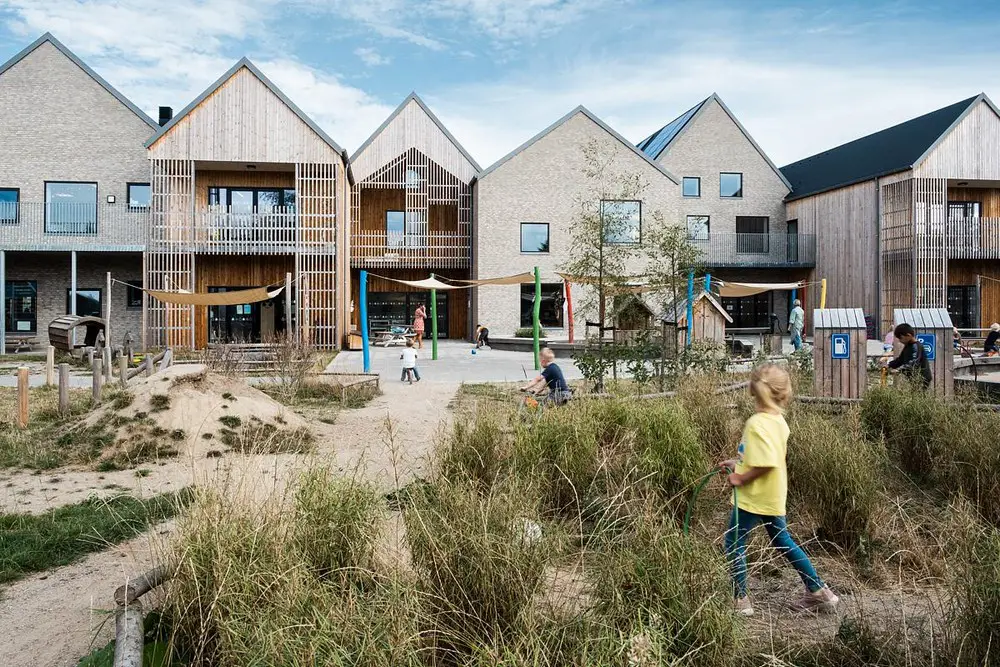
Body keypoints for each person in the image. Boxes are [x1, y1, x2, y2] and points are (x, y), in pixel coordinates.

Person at [719, 364, 838, 616]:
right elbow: (764, 456)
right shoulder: (778, 421)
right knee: (783, 541)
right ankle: (819, 591)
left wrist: (741, 478)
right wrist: (738, 462)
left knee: (734, 542)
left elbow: (766, 463)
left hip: (753, 495)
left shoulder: (755, 423)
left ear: (752, 389)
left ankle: (740, 600)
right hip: (773, 493)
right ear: (783, 393)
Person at [885, 323, 932, 390]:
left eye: (900, 338)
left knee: (918, 396)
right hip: (913, 378)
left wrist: (899, 370)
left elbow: (914, 362)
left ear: (908, 335)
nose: (900, 341)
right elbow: (900, 360)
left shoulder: (916, 346)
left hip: (922, 378)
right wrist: (889, 365)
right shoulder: (908, 346)